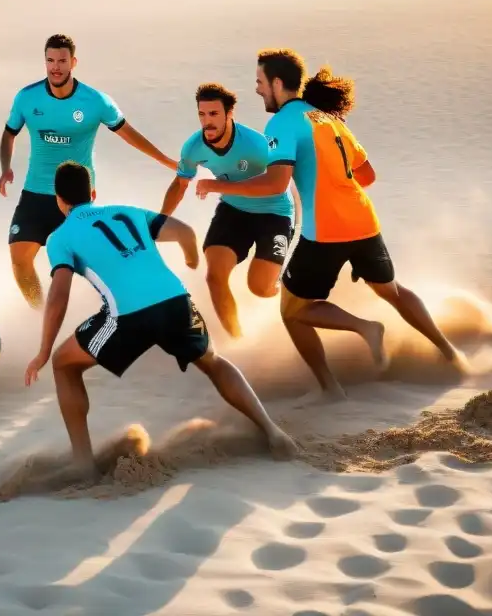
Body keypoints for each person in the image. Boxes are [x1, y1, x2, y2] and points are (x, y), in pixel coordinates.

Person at [196, 49, 468, 400]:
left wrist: (217, 185)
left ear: (278, 84)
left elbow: (276, 184)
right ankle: (450, 353)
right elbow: (367, 175)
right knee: (393, 291)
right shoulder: (329, 119)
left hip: (326, 229)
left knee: (293, 312)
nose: (259, 90)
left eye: (261, 83)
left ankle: (340, 371)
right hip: (364, 220)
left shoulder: (280, 123)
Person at [24, 161, 298, 477]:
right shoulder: (128, 212)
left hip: (129, 316)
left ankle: (83, 462)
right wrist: (192, 258)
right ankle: (272, 431)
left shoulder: (60, 237)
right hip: (175, 302)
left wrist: (43, 352)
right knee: (213, 362)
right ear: (94, 193)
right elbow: (184, 231)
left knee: (63, 363)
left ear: (59, 201)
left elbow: (58, 296)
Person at [0, 33, 177, 309]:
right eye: (50, 61)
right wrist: (5, 167)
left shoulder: (95, 101)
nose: (55, 67)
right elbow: (9, 134)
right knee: (20, 260)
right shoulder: (26, 98)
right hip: (35, 191)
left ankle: (133, 304)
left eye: (61, 61)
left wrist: (166, 160)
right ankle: (40, 314)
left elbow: (128, 134)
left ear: (73, 62)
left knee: (92, 264)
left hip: (76, 197)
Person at [161, 82, 297, 339]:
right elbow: (180, 185)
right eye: (202, 114)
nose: (207, 122)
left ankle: (289, 283)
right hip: (234, 210)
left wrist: (219, 185)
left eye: (214, 114)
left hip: (275, 212)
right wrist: (160, 220)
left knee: (260, 288)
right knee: (214, 277)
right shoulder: (193, 148)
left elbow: (279, 185)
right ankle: (238, 340)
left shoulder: (257, 144)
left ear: (229, 114)